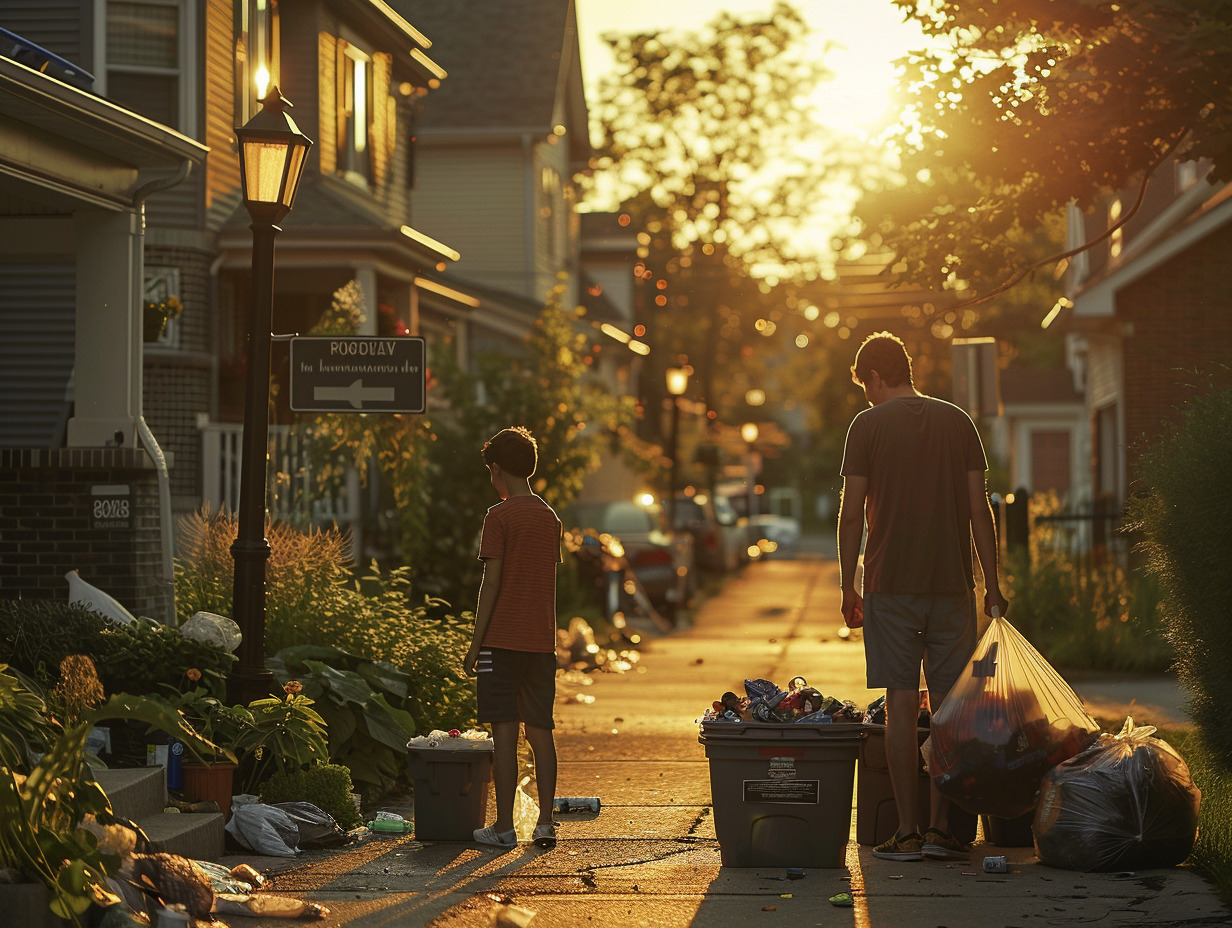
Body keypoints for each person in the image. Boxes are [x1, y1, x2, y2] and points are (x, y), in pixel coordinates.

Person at [837, 332, 1009, 862]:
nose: (866, 395)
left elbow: (852, 513)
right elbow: (980, 510)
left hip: (890, 587)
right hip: (952, 586)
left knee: (900, 702)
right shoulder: (959, 422)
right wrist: (993, 584)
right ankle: (941, 830)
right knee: (950, 710)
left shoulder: (865, 427)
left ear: (873, 376)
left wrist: (849, 582)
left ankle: (906, 831)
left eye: (865, 385)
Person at [464, 427, 563, 850]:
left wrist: (474, 643)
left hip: (501, 642)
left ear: (497, 470)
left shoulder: (497, 516)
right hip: (541, 643)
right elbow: (545, 579)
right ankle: (544, 823)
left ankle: (503, 827)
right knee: (541, 731)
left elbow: (493, 584)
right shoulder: (550, 518)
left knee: (503, 731)